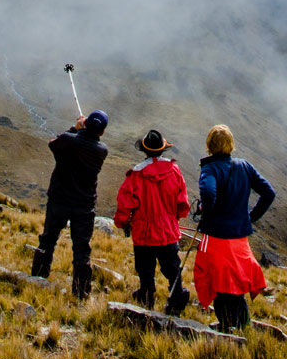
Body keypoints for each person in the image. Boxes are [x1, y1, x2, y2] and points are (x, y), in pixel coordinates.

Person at [192, 124, 275, 331]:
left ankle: (228, 328)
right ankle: (243, 327)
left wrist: (205, 209)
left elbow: (209, 194)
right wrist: (250, 217)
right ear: (230, 144)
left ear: (209, 145)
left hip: (217, 236)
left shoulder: (210, 168)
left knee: (219, 283)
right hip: (239, 237)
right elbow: (268, 193)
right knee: (237, 281)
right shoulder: (244, 166)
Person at [31, 110, 109, 299]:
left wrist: (75, 128)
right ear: (102, 132)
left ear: (86, 124)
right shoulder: (101, 150)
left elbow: (54, 144)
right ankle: (81, 292)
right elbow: (85, 142)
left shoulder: (68, 139)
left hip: (59, 200)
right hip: (84, 206)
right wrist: (82, 130)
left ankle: (38, 279)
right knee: (82, 249)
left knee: (48, 238)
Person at [113, 129, 191, 314]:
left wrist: (122, 222)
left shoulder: (136, 174)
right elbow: (183, 204)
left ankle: (146, 297)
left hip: (144, 234)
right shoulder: (174, 170)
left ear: (145, 150)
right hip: (168, 232)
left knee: (145, 269)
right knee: (172, 267)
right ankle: (176, 296)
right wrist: (174, 218)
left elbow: (125, 204)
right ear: (163, 149)